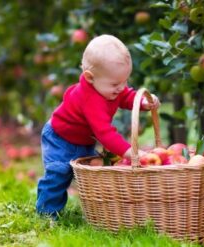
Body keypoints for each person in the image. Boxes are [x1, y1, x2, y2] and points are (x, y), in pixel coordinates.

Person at [36, 34, 160, 218]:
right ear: (90, 77)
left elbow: (125, 96)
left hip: (83, 139)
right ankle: (47, 214)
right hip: (60, 139)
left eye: (125, 81)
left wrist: (141, 102)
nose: (121, 87)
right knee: (59, 173)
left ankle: (97, 211)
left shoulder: (109, 87)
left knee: (93, 172)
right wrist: (131, 152)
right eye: (116, 84)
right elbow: (105, 134)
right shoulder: (90, 98)